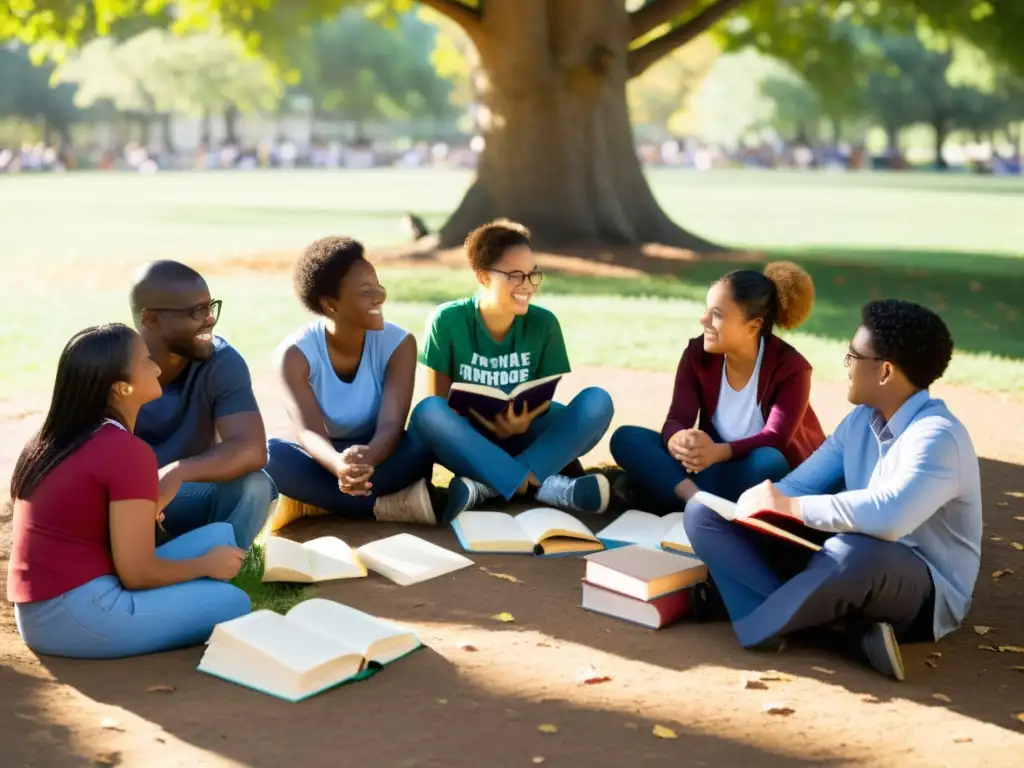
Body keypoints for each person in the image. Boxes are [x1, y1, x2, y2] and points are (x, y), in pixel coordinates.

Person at [683, 300, 981, 681]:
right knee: (703, 513)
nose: (847, 366)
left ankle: (756, 622)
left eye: (853, 356)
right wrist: (759, 507)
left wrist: (791, 505)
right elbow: (799, 485)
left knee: (853, 552)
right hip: (839, 559)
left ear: (885, 371)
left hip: (919, 587)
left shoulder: (938, 436)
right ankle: (842, 633)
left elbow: (889, 518)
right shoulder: (860, 420)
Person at [7, 324, 250, 659]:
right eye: (147, 360)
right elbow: (137, 573)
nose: (157, 367)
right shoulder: (124, 450)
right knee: (233, 602)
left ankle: (197, 591)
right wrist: (204, 566)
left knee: (220, 535)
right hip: (73, 615)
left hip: (50, 603)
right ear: (122, 388)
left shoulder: (56, 438)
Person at [408, 218, 614, 523]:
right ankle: (548, 487)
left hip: (527, 435)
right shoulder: (448, 320)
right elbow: (436, 403)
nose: (527, 286)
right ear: (482, 276)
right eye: (515, 276)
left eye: (532, 274)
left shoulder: (544, 323)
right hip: (470, 442)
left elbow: (542, 396)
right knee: (427, 412)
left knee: (598, 401)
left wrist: (521, 422)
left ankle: (488, 487)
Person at [610, 262, 824, 511]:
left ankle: (664, 491)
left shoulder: (792, 368)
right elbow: (677, 418)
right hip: (707, 470)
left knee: (769, 461)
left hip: (754, 473)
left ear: (753, 326)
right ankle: (697, 500)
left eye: (717, 315)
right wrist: (677, 439)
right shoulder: (696, 354)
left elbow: (776, 438)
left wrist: (719, 452)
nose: (704, 320)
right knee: (627, 438)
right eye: (706, 310)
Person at [265, 236, 435, 525]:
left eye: (378, 286)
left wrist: (368, 457)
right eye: (365, 291)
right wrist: (337, 465)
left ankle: (319, 503)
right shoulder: (293, 355)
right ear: (331, 304)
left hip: (382, 451)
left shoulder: (399, 344)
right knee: (269, 456)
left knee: (421, 447)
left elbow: (392, 426)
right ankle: (381, 506)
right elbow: (308, 433)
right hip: (324, 456)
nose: (380, 296)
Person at [129, 260, 275, 551]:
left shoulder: (221, 361)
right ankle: (143, 561)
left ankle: (219, 568)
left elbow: (251, 449)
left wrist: (176, 472)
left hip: (188, 494)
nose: (210, 319)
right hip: (127, 503)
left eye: (210, 307)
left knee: (257, 485)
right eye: (196, 311)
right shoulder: (110, 366)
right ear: (150, 320)